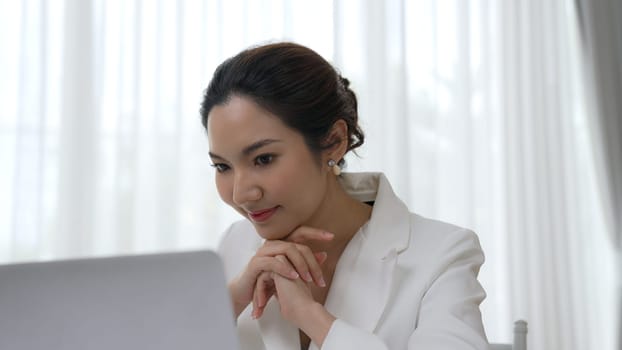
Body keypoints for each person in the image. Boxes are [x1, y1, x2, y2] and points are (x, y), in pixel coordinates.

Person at [200, 42, 489, 350]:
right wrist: (227, 304)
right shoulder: (235, 246)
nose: (241, 193)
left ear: (333, 142)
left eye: (264, 159)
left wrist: (312, 317)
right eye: (222, 166)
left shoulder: (441, 254)